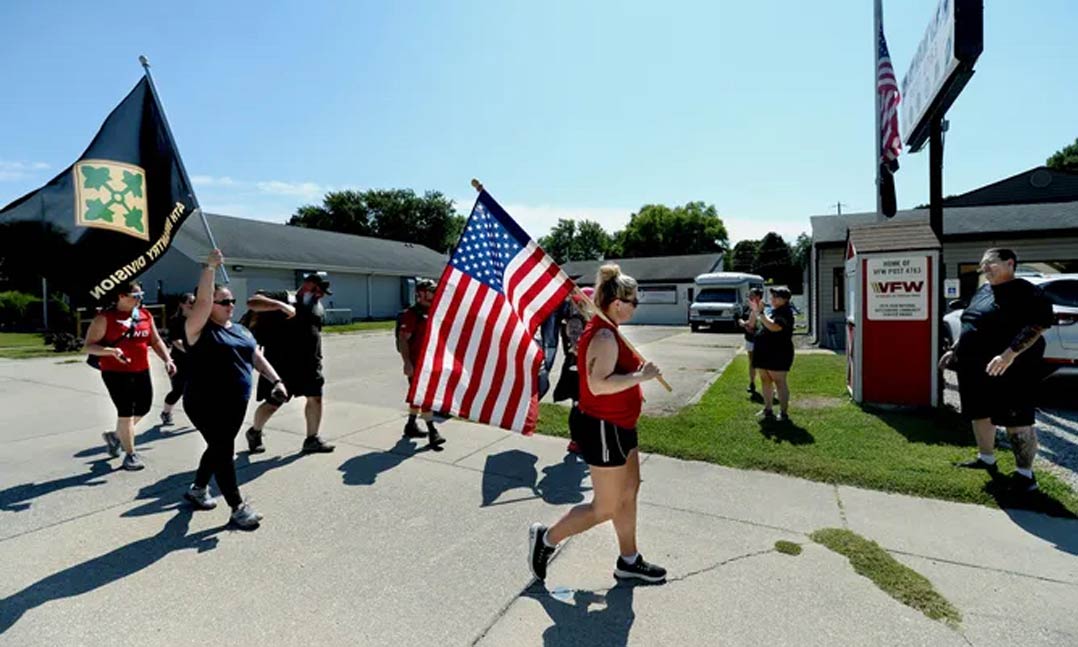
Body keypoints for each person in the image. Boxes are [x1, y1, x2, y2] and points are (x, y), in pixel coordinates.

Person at [529, 264, 666, 584]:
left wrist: (635, 376)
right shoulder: (604, 334)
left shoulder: (609, 328)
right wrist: (640, 376)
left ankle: (629, 560)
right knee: (604, 507)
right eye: (634, 302)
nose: (636, 307)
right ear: (618, 302)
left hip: (621, 426)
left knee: (630, 490)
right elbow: (598, 384)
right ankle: (545, 539)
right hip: (604, 427)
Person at [182, 249, 288, 528]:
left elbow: (255, 356)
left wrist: (276, 380)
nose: (231, 305)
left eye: (233, 301)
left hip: (234, 404)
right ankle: (237, 507)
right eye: (224, 301)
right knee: (223, 450)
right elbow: (204, 301)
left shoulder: (240, 330)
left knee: (217, 447)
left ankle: (197, 489)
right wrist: (210, 267)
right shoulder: (198, 328)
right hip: (204, 402)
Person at [939, 248, 1054, 493]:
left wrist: (1008, 355)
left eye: (990, 263)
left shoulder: (1027, 291)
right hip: (975, 367)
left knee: (1018, 419)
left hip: (1011, 369)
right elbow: (971, 321)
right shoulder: (984, 290)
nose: (984, 268)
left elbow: (1039, 324)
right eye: (982, 264)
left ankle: (1025, 476)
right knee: (980, 412)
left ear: (1009, 263)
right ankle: (986, 457)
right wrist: (955, 350)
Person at [84, 280, 176, 470]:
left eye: (141, 295)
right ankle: (130, 455)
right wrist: (111, 351)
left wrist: (167, 359)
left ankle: (116, 436)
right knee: (125, 412)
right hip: (115, 373)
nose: (140, 299)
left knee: (144, 407)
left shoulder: (144, 315)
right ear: (121, 296)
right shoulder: (105, 318)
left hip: (141, 370)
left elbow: (155, 340)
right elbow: (89, 345)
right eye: (136, 296)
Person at [243, 274, 335, 454]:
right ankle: (255, 431)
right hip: (281, 363)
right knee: (274, 402)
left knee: (315, 397)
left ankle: (312, 439)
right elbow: (252, 302)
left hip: (310, 363)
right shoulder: (285, 297)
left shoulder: (317, 307)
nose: (320, 295)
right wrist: (280, 306)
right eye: (317, 290)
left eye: (323, 293)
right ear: (307, 284)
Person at [398, 278, 446, 448]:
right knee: (425, 396)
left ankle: (410, 425)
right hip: (416, 363)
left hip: (431, 362)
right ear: (421, 293)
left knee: (418, 395)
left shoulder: (433, 311)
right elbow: (403, 339)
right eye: (431, 291)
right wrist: (407, 363)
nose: (434, 293)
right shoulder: (412, 314)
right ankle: (433, 431)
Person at [552, 287, 595, 455]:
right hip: (575, 368)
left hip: (584, 367)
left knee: (586, 406)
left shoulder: (585, 320)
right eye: (590, 302)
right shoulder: (575, 321)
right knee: (579, 405)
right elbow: (576, 347)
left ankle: (583, 438)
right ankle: (576, 441)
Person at [751, 287, 795, 422]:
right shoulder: (774, 310)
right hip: (764, 351)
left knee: (779, 382)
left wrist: (761, 314)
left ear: (785, 299)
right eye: (772, 295)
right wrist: (759, 312)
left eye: (777, 296)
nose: (773, 298)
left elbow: (774, 327)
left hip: (778, 352)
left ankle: (783, 413)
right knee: (765, 380)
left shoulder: (785, 313)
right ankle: (768, 409)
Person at [160, 292, 194, 426]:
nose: (193, 305)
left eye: (195, 302)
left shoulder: (197, 320)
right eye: (190, 302)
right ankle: (166, 413)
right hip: (179, 361)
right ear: (182, 304)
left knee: (198, 389)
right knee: (178, 390)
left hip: (194, 362)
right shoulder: (176, 321)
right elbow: (176, 341)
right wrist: (191, 352)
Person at [737, 287, 765, 395]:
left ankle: (753, 383)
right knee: (759, 363)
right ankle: (760, 384)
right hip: (758, 338)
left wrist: (742, 323)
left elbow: (751, 325)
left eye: (752, 294)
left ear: (758, 296)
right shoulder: (761, 306)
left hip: (754, 338)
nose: (750, 296)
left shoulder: (756, 307)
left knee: (753, 362)